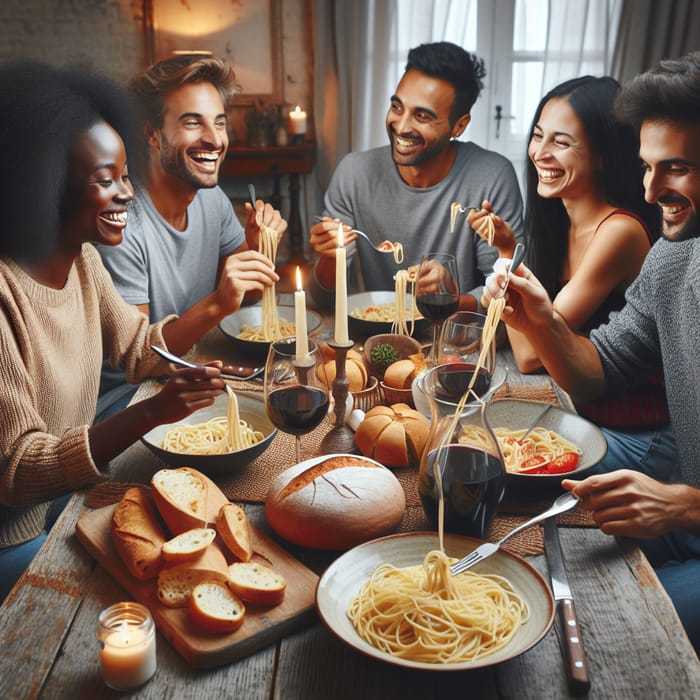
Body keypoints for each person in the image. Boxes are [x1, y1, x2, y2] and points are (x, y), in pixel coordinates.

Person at [481, 52, 700, 649]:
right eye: (648, 168)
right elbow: (599, 371)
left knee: (607, 627)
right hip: (676, 498)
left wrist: (684, 507)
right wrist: (544, 319)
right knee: (527, 573)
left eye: (675, 168)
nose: (652, 191)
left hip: (684, 505)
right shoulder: (673, 256)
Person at [0, 61, 228, 601]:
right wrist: (149, 412)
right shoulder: (6, 294)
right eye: (105, 180)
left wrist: (202, 366)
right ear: (43, 188)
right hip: (17, 538)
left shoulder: (82, 262)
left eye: (126, 174)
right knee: (173, 581)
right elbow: (17, 470)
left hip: (73, 496)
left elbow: (138, 348)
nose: (128, 194)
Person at [468, 76, 677, 482]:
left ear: (602, 155)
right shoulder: (560, 222)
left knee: (489, 459)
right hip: (583, 414)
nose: (539, 153)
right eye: (538, 136)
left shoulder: (619, 232)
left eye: (561, 143)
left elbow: (530, 356)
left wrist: (508, 256)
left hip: (638, 436)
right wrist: (510, 248)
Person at [96, 54, 287, 420]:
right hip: (128, 403)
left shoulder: (211, 199)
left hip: (190, 370)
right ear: (151, 133)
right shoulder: (120, 222)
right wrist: (216, 303)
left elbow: (244, 298)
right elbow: (142, 362)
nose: (215, 140)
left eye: (220, 123)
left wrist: (260, 249)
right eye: (191, 122)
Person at [309, 41, 525, 311]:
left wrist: (450, 297)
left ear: (459, 125)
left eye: (422, 116)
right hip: (374, 333)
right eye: (397, 107)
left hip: (453, 339)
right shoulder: (354, 173)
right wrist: (329, 258)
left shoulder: (492, 176)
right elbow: (325, 301)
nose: (401, 126)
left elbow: (508, 299)